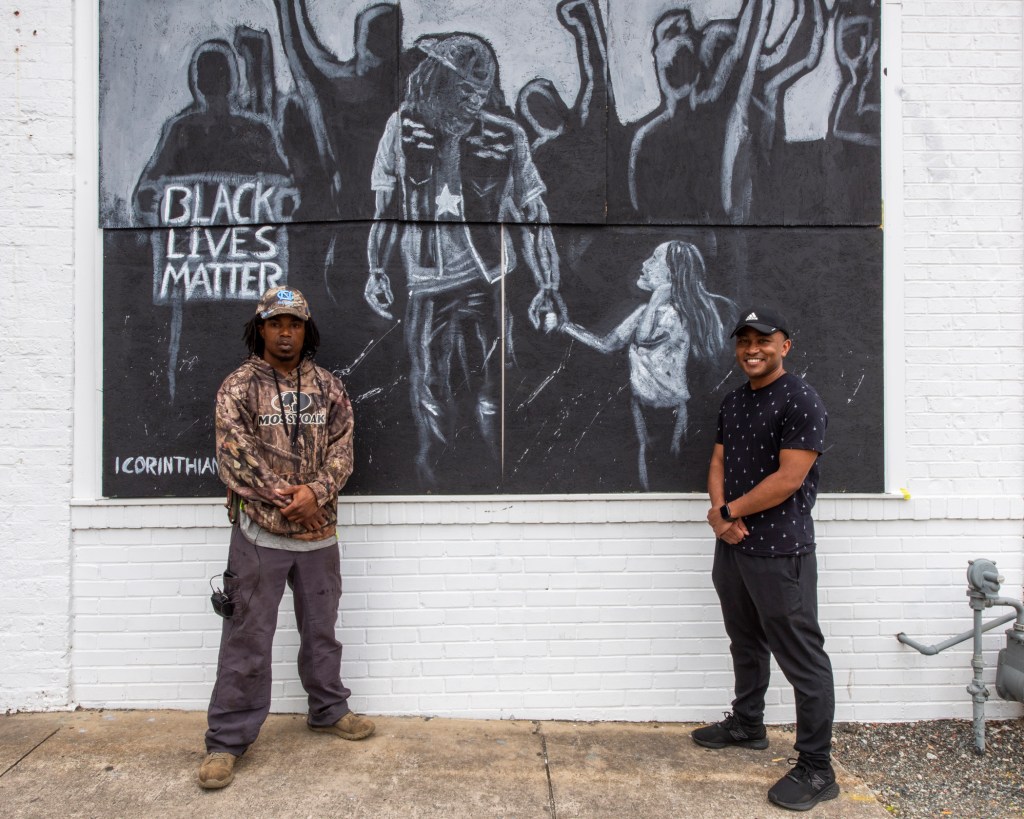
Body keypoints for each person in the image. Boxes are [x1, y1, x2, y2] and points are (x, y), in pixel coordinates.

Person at [364, 34, 562, 486]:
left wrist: (548, 285)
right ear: (436, 82)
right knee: (432, 384)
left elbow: (535, 218)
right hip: (428, 285)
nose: (473, 103)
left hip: (490, 280)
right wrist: (376, 269)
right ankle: (438, 480)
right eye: (463, 91)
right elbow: (384, 211)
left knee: (494, 381)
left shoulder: (506, 136)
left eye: (480, 92)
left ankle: (495, 473)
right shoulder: (402, 128)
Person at [198, 286, 374, 790]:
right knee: (247, 637)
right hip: (260, 534)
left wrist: (315, 492)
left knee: (322, 629)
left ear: (306, 329)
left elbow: (343, 449)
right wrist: (285, 497)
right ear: (260, 329)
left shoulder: (329, 387)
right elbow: (234, 454)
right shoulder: (238, 386)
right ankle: (226, 741)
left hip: (319, 533)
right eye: (275, 323)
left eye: (294, 323)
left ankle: (328, 708)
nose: (284, 332)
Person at [693, 307, 837, 812]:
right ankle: (748, 724)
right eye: (744, 341)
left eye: (764, 340)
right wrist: (719, 517)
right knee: (746, 641)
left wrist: (729, 510)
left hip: (780, 551)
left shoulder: (801, 400)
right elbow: (718, 460)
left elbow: (789, 479)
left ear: (785, 345)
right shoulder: (734, 401)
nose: (753, 349)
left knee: (803, 659)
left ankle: (817, 768)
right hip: (733, 545)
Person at [559, 240, 734, 490]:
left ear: (671, 275)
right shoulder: (646, 312)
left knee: (665, 463)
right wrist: (566, 326)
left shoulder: (674, 315)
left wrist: (655, 300)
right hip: (642, 405)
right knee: (647, 457)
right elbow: (607, 344)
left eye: (653, 260)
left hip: (669, 410)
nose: (644, 264)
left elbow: (644, 338)